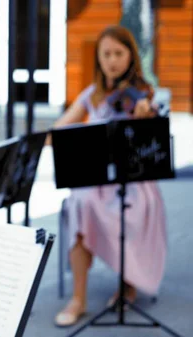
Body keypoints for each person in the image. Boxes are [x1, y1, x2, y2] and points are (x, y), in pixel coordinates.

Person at [51, 25, 166, 327]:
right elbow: (59, 130)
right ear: (98, 59)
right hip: (96, 179)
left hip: (133, 180)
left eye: (119, 53)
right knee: (79, 203)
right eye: (106, 54)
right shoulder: (92, 94)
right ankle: (78, 298)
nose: (113, 60)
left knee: (131, 209)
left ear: (130, 56)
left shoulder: (141, 93)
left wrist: (144, 117)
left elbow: (152, 132)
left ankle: (128, 282)